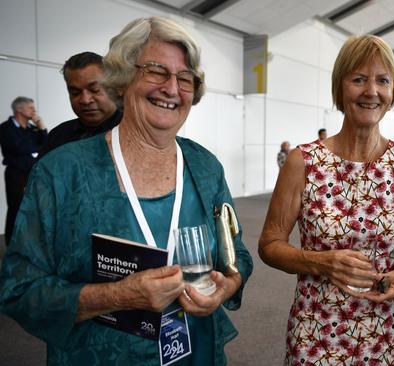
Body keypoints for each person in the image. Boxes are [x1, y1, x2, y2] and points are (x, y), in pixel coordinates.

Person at [0, 16, 253, 365]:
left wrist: (228, 283)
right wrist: (118, 295)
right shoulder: (61, 172)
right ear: (122, 78)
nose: (171, 88)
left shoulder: (206, 167)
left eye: (185, 78)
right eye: (156, 70)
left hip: (198, 353)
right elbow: (19, 290)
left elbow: (235, 253)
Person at [259, 35, 394, 365]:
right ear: (340, 88)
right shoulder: (303, 162)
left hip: (392, 332)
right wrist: (320, 262)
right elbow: (269, 244)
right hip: (319, 331)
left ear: (392, 91)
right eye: (358, 79)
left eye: (383, 80)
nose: (371, 91)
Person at [40, 51, 122, 156]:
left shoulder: (134, 131)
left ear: (114, 87)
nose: (85, 100)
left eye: (94, 90)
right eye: (75, 93)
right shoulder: (57, 136)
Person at [0, 96, 47, 245]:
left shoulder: (33, 128)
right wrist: (35, 151)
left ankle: (29, 243)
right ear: (19, 109)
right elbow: (18, 147)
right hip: (16, 175)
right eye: (31, 107)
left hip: (34, 174)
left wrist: (42, 128)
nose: (35, 111)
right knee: (16, 208)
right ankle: (11, 244)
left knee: (34, 209)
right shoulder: (5, 128)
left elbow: (46, 146)